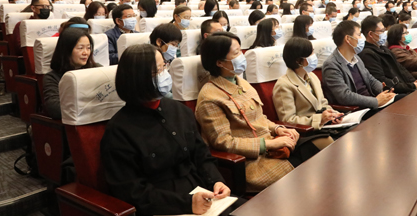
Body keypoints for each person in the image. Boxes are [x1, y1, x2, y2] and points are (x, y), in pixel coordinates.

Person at [101, 44, 240, 216]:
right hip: (163, 205)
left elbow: (201, 155)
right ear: (137, 79)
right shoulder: (119, 131)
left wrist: (216, 181)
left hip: (201, 192)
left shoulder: (179, 110)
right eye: (157, 71)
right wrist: (186, 204)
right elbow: (131, 191)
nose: (164, 75)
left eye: (164, 67)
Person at [195, 32, 324, 192]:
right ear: (220, 62)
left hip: (274, 148)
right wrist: (268, 144)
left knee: (321, 150)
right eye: (236, 53)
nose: (242, 56)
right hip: (253, 161)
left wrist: (278, 129)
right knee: (312, 172)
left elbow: (260, 118)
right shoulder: (209, 97)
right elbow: (224, 142)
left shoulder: (242, 83)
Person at [321, 21, 396, 109]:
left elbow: (370, 79)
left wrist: (384, 90)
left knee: (400, 99)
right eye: (359, 35)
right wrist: (376, 101)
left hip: (371, 102)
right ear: (348, 39)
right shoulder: (331, 65)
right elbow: (344, 96)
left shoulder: (356, 58)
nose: (362, 38)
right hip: (359, 108)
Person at [273, 38, 342, 130]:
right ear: (298, 61)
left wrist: (333, 115)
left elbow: (322, 103)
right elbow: (288, 120)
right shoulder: (284, 85)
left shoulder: (312, 76)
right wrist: (319, 119)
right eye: (311, 54)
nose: (314, 56)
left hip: (325, 125)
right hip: (306, 131)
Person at [43, 28, 102, 119]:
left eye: (88, 48)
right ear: (66, 50)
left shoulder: (97, 69)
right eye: (80, 48)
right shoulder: (52, 78)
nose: (86, 53)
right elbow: (55, 109)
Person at [358, 16, 417, 94]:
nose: (384, 33)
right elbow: (382, 80)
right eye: (382, 31)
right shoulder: (367, 54)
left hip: (405, 87)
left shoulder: (384, 49)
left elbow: (401, 69)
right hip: (394, 93)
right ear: (371, 34)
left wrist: (413, 81)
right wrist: (411, 86)